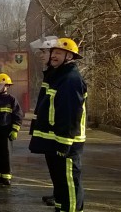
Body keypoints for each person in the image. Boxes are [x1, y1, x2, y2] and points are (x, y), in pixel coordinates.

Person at [28, 38, 87, 212]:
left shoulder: (70, 79)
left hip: (66, 141)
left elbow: (70, 113)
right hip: (55, 139)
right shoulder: (58, 75)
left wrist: (64, 141)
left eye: (58, 53)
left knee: (69, 183)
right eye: (53, 52)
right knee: (60, 182)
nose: (53, 56)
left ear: (69, 56)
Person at [28, 35, 60, 206]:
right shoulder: (51, 73)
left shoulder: (57, 75)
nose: (41, 56)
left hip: (56, 131)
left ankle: (60, 195)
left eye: (44, 52)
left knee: (59, 167)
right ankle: (57, 193)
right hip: (49, 130)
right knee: (53, 166)